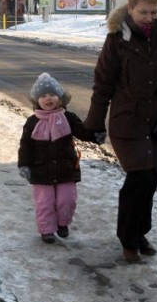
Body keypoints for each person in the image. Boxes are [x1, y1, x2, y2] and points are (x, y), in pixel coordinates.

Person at [83, 0, 157, 262]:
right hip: (128, 120)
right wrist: (94, 123)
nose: (150, 18)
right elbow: (103, 83)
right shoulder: (117, 39)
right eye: (144, 12)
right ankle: (128, 238)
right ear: (130, 8)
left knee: (152, 177)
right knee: (139, 176)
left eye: (154, 11)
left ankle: (141, 231)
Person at [18, 73, 101, 244]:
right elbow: (25, 145)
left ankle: (63, 223)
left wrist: (95, 136)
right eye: (43, 96)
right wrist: (24, 165)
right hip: (40, 170)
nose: (48, 98)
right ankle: (47, 230)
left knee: (67, 200)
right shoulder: (32, 122)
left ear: (60, 97)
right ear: (36, 101)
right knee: (45, 202)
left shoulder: (68, 118)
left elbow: (82, 131)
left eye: (52, 94)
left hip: (66, 168)